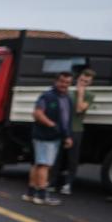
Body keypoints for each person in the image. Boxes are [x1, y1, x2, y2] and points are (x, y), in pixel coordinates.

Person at [24, 71, 73, 207]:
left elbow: (66, 119)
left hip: (55, 136)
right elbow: (37, 113)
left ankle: (30, 193)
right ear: (56, 81)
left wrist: (67, 136)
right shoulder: (47, 96)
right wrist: (52, 125)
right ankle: (41, 195)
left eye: (67, 82)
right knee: (44, 165)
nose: (64, 84)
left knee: (38, 164)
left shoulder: (66, 98)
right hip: (45, 136)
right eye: (62, 81)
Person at [54, 68, 96, 195]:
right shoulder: (68, 93)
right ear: (78, 79)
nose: (83, 83)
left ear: (90, 83)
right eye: (82, 80)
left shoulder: (89, 95)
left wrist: (81, 93)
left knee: (72, 159)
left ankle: (68, 184)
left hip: (76, 130)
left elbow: (79, 109)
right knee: (57, 157)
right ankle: (52, 182)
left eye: (86, 82)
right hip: (63, 128)